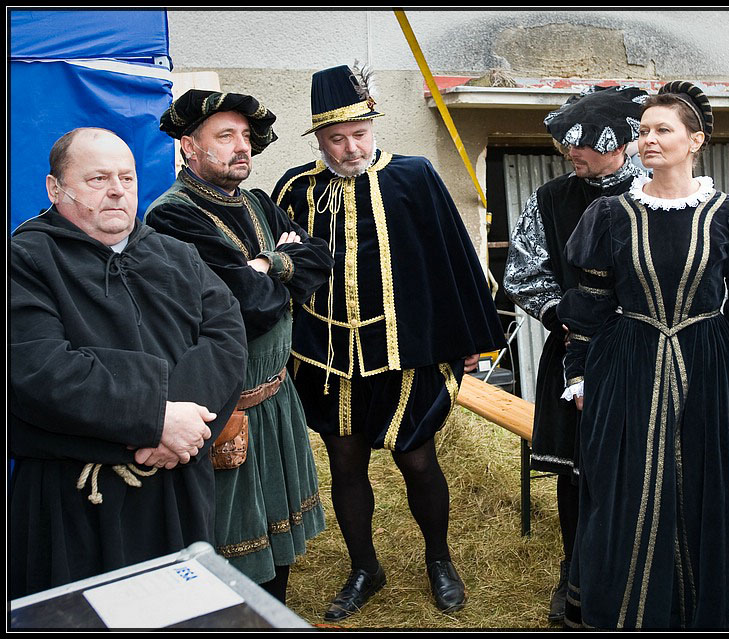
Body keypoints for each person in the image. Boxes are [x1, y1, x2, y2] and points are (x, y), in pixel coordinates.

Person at [271, 65, 506, 619]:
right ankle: (364, 568)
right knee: (345, 463)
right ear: (319, 138)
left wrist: (469, 338)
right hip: (328, 357)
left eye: (359, 133)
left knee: (417, 459)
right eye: (336, 138)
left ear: (373, 126)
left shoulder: (414, 175)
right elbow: (285, 267)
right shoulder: (295, 188)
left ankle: (439, 560)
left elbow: (451, 257)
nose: (350, 148)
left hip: (407, 351)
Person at [557, 82, 729, 629]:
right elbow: (590, 303)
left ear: (696, 140)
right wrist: (578, 374)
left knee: (710, 487)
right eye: (643, 131)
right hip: (630, 365)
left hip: (710, 365)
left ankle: (709, 610)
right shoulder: (611, 215)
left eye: (663, 130)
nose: (649, 140)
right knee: (630, 491)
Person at [8, 128, 247, 598]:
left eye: (127, 177)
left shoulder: (177, 254)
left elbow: (227, 338)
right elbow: (39, 368)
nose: (118, 190)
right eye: (98, 179)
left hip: (177, 486)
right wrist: (155, 419)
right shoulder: (25, 262)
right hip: (73, 498)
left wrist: (178, 425)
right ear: (56, 188)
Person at [145, 91, 333, 604]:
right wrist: (280, 270)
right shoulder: (172, 218)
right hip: (226, 407)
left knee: (279, 538)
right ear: (189, 147)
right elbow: (245, 309)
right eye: (225, 136)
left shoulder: (259, 203)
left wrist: (266, 264)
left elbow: (320, 258)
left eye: (246, 136)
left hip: (276, 396)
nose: (242, 146)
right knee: (230, 542)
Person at [503, 84, 647, 624]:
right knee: (577, 474)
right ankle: (576, 572)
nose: (571, 152)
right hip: (574, 357)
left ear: (619, 144)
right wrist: (565, 318)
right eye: (567, 142)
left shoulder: (656, 194)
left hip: (648, 358)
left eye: (582, 144)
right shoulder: (551, 199)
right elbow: (523, 273)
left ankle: (641, 568)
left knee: (645, 465)